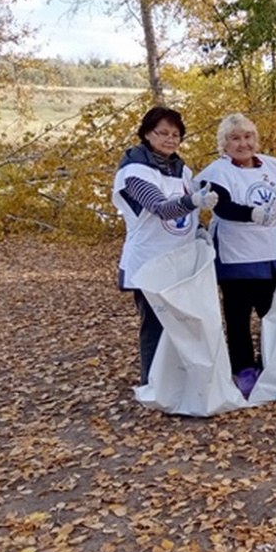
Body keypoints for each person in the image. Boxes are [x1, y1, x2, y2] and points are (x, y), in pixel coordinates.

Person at [112, 106, 218, 385]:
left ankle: (179, 382)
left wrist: (200, 230)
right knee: (155, 326)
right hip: (150, 261)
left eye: (176, 134)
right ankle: (153, 384)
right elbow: (160, 208)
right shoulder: (134, 171)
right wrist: (192, 201)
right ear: (148, 134)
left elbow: (189, 214)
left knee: (182, 325)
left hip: (180, 260)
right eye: (164, 133)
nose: (170, 139)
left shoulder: (182, 170)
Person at [193, 113, 276, 389]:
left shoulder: (271, 166)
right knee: (238, 317)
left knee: (273, 314)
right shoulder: (218, 172)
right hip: (238, 257)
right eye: (235, 138)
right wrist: (251, 213)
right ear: (224, 144)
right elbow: (222, 207)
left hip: (273, 255)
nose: (243, 143)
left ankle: (271, 363)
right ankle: (244, 369)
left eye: (248, 137)